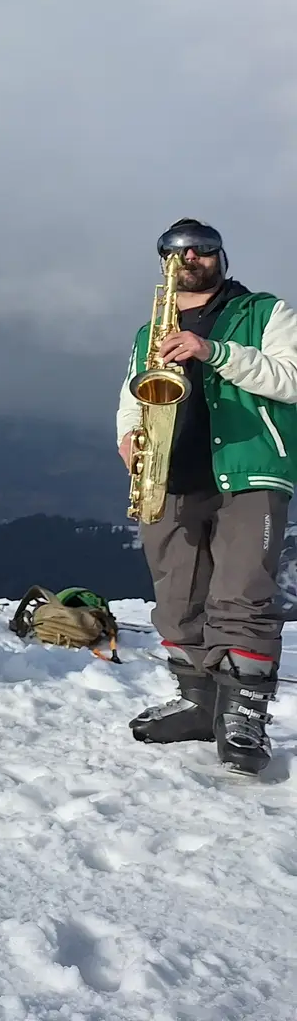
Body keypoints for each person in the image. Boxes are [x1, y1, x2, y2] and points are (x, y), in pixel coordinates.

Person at [120, 220, 297, 776]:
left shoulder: (267, 312)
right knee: (177, 599)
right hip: (169, 475)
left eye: (202, 248)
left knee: (242, 595)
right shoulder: (151, 329)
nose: (190, 256)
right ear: (163, 261)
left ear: (220, 255)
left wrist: (213, 351)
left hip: (248, 471)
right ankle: (198, 703)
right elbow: (132, 395)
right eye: (177, 250)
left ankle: (243, 715)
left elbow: (291, 379)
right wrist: (127, 437)